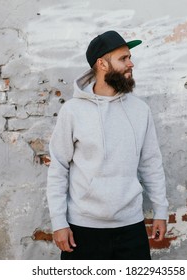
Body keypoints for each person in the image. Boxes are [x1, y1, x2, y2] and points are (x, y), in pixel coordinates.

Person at [47, 30, 168, 260]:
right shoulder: (73, 111)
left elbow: (151, 163)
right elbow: (58, 168)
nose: (131, 63)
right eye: (123, 58)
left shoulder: (140, 110)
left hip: (131, 227)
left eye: (129, 57)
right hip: (82, 230)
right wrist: (58, 223)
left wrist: (161, 210)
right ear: (102, 64)